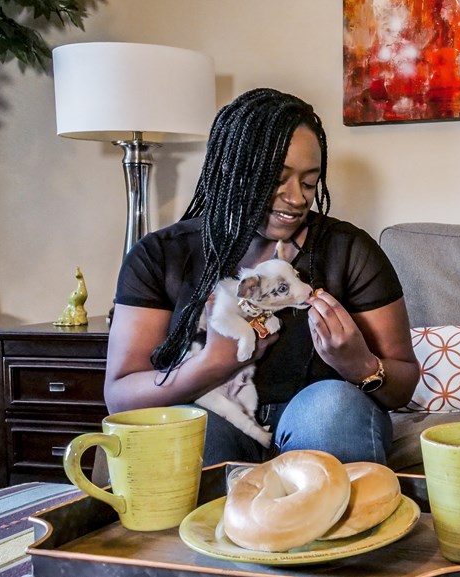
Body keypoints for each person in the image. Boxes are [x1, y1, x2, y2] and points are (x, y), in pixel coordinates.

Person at [104, 88, 420, 467]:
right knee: (197, 426)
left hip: (323, 422)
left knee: (331, 406)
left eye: (308, 183)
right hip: (217, 415)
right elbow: (121, 396)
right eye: (277, 179)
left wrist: (360, 364)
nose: (297, 199)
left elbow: (402, 384)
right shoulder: (162, 255)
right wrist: (213, 363)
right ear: (230, 171)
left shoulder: (349, 251)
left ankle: (328, 519)